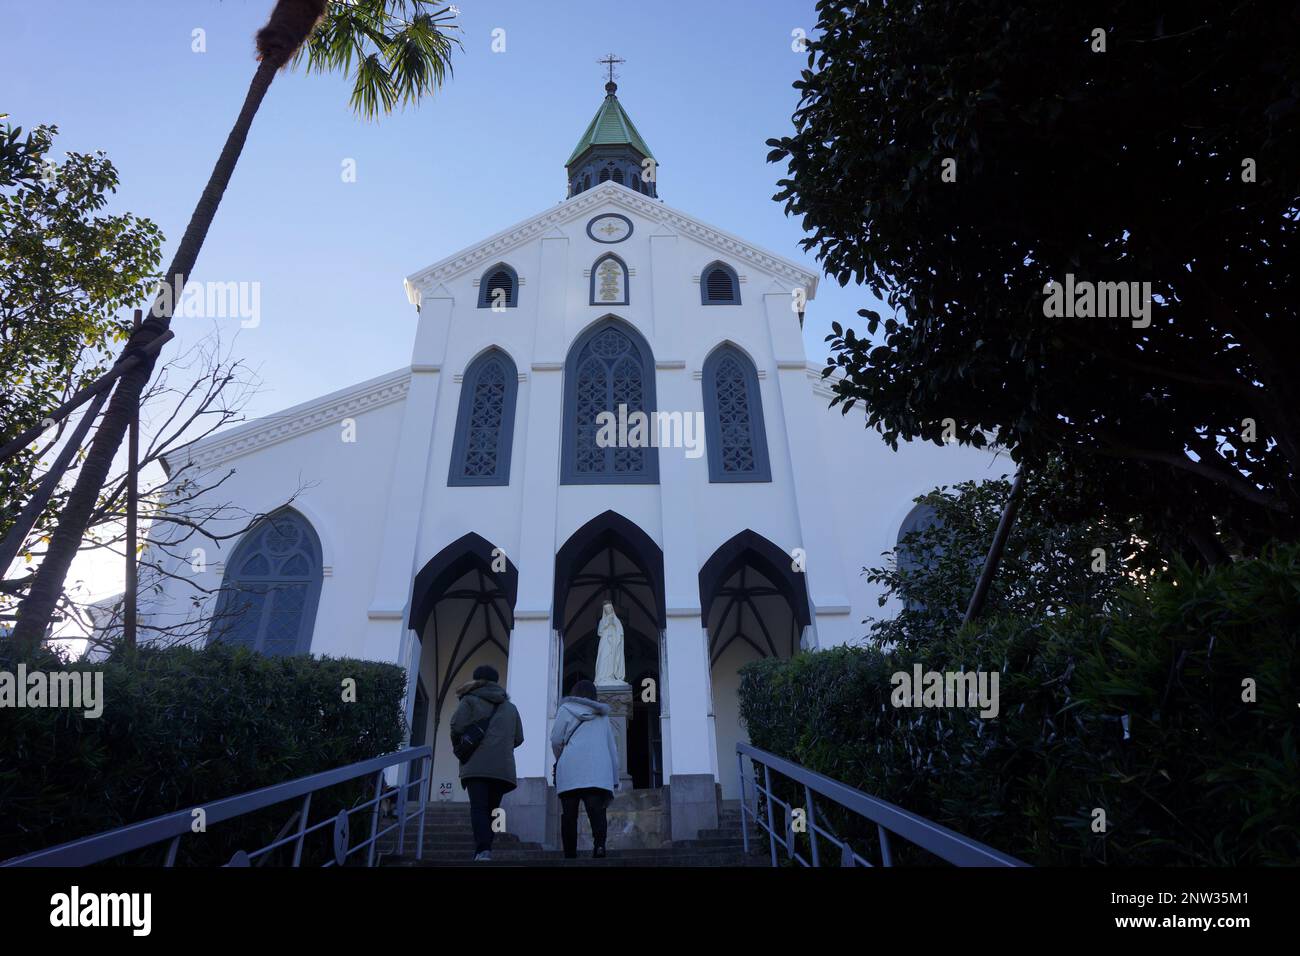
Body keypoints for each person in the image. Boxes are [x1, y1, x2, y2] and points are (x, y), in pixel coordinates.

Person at [449, 664, 523, 862]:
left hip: (476, 766)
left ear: (476, 679)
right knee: (492, 809)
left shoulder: (469, 700)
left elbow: (456, 726)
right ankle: (486, 848)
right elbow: (518, 738)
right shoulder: (511, 708)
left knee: (479, 808)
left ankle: (483, 850)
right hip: (502, 768)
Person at [551, 679, 619, 859]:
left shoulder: (565, 710)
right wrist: (614, 778)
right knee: (597, 812)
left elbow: (556, 740)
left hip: (570, 769)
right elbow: (612, 748)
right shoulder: (603, 716)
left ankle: (570, 854)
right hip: (596, 771)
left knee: (569, 815)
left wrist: (561, 758)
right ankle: (599, 847)